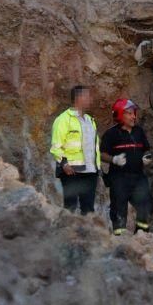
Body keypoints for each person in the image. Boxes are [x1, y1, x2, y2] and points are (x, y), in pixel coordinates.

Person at [101, 98, 153, 235]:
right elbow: (101, 154)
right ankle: (120, 240)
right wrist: (114, 159)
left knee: (146, 206)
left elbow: (147, 149)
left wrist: (146, 157)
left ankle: (141, 235)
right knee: (119, 211)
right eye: (129, 113)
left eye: (134, 113)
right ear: (120, 115)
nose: (133, 116)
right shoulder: (111, 134)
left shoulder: (139, 132)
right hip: (119, 178)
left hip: (138, 177)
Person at [50, 85, 100, 215]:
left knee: (89, 210)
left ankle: (89, 234)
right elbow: (56, 146)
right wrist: (64, 163)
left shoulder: (90, 121)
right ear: (79, 98)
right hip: (71, 171)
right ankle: (69, 233)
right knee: (70, 206)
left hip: (90, 171)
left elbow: (94, 147)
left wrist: (97, 168)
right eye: (88, 96)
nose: (90, 99)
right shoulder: (63, 120)